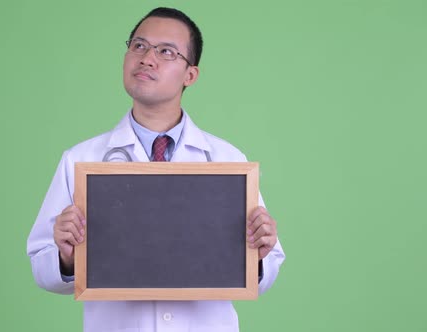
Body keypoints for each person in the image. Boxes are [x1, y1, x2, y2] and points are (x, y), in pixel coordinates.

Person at [27, 7, 285, 332]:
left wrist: (259, 253)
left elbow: (266, 268)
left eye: (166, 51)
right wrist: (65, 256)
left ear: (190, 75)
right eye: (139, 46)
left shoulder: (228, 160)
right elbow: (42, 265)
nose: (147, 58)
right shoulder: (80, 159)